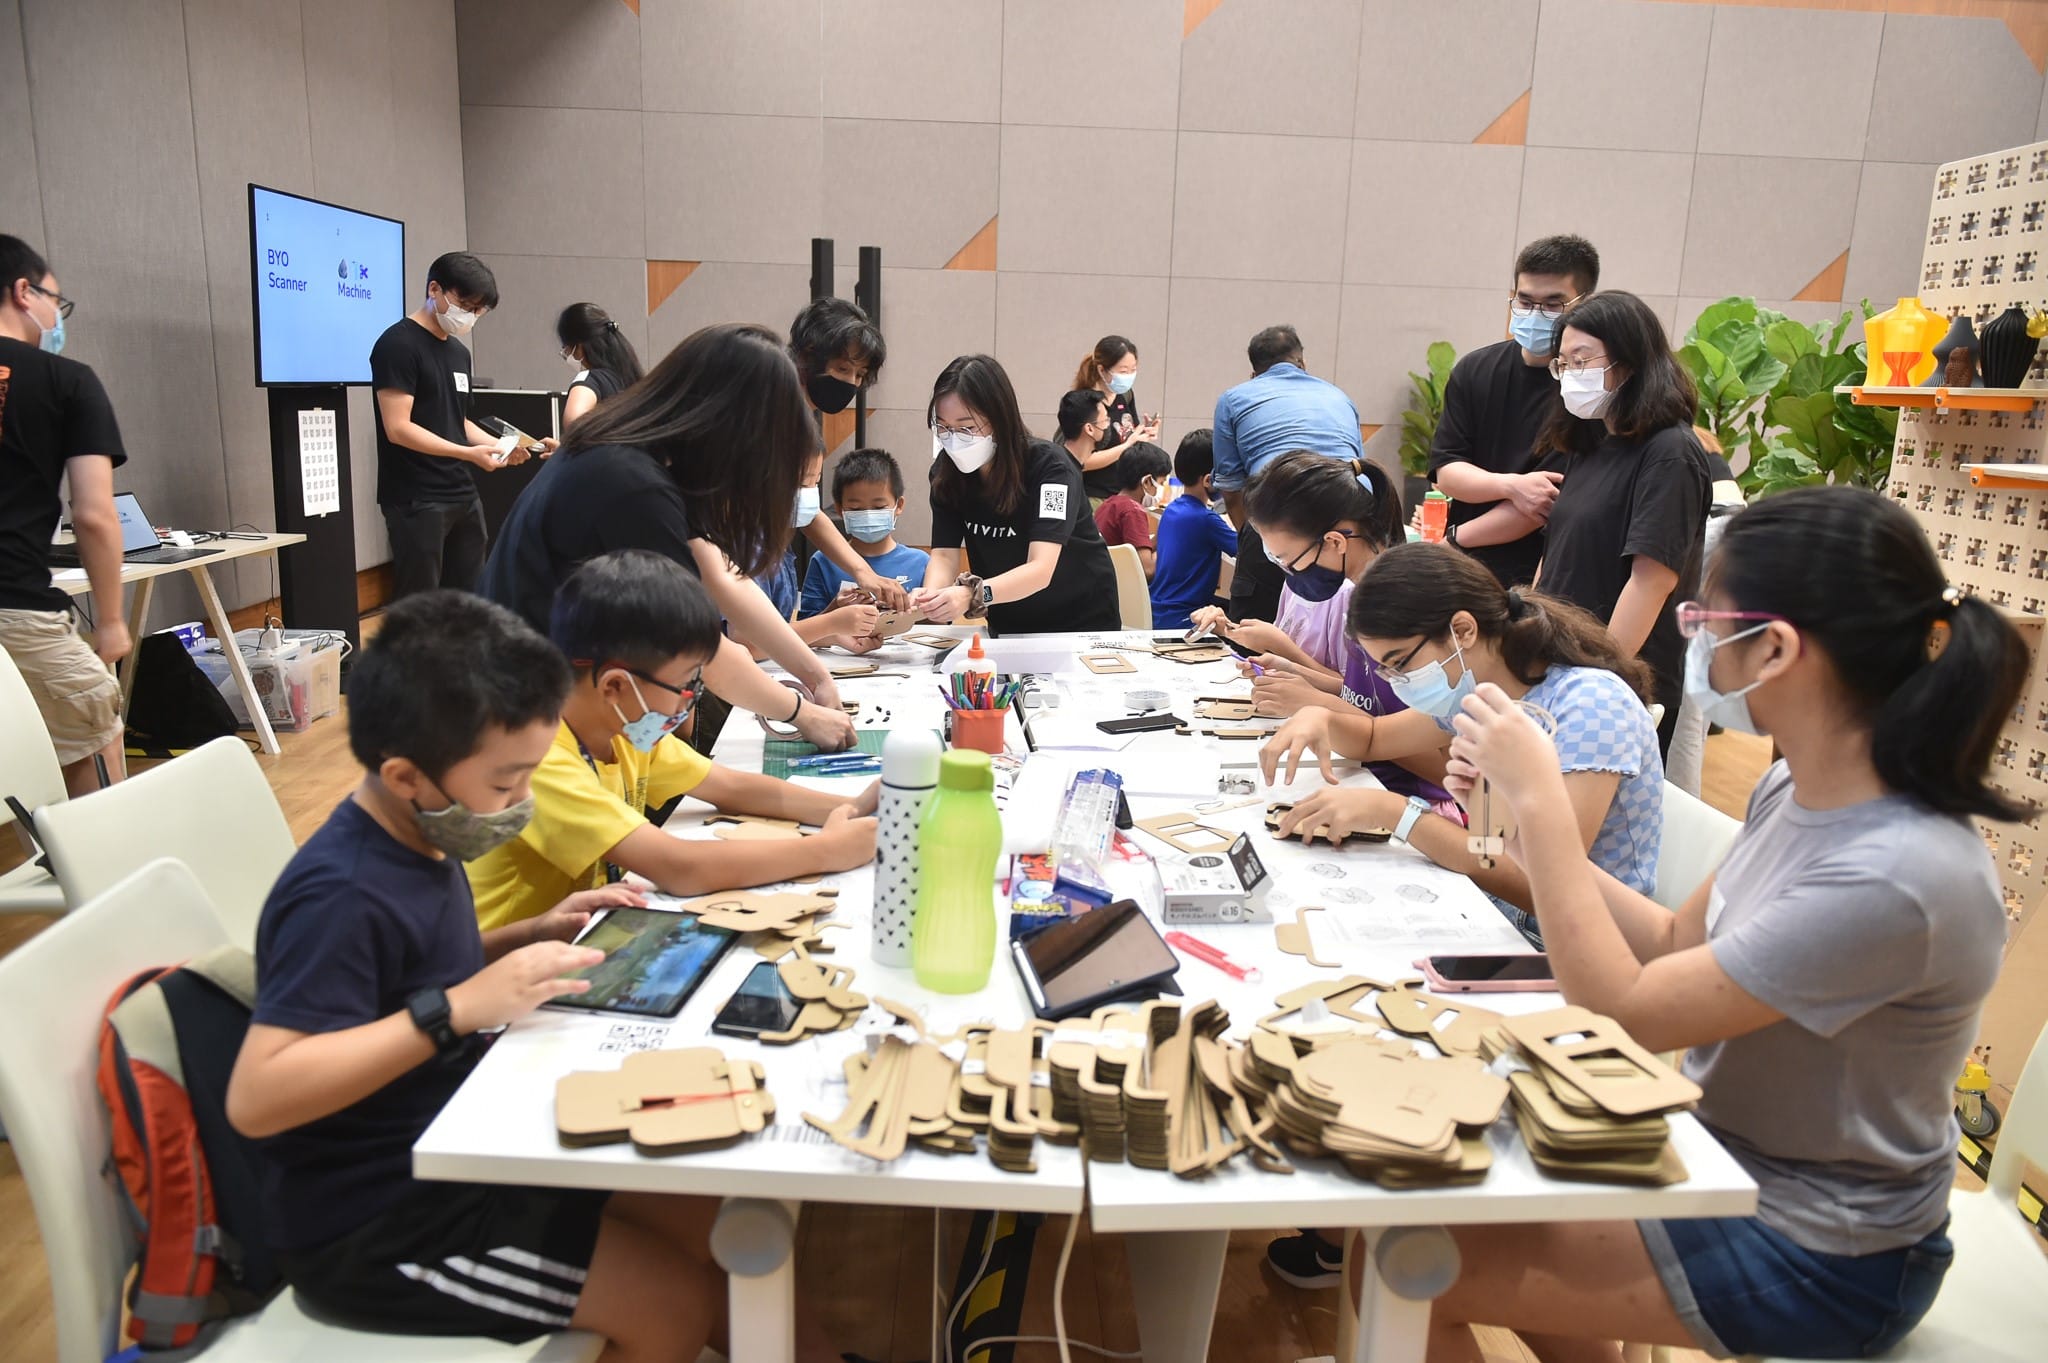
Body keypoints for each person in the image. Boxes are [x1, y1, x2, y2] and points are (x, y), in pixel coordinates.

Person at [1427, 486, 2023, 1362]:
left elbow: (1622, 1008)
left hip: (1825, 1248)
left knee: (1415, 1259)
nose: (1695, 640)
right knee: (1432, 1214)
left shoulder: (1898, 872)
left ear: (1776, 647)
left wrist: (1546, 808)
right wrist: (1518, 813)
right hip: (1724, 1161)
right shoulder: (1796, 786)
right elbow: (1674, 942)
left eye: (1707, 619)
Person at [225, 590, 842, 1362]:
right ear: (407, 775)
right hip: (377, 1219)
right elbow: (258, 1096)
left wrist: (523, 936)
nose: (521, 802)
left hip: (465, 1134)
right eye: (507, 783)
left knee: (694, 1207)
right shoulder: (342, 894)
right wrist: (453, 1009)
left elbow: (409, 976)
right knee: (671, 1309)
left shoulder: (419, 834)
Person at [478, 323, 858, 752]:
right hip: (528, 710)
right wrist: (801, 713)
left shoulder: (646, 457)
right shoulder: (630, 482)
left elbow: (725, 577)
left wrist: (817, 678)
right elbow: (698, 644)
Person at [1261, 542, 1663, 947]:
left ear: (1463, 631)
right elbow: (1376, 737)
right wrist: (1322, 717)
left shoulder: (1591, 706)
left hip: (1578, 936)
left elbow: (1544, 884)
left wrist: (1395, 812)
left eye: (1400, 664)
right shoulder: (1482, 692)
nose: (1394, 681)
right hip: (1506, 899)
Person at [467, 550, 877, 934]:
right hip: (500, 975)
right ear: (615, 685)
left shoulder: (622, 726)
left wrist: (854, 807)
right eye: (684, 683)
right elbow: (679, 868)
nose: (691, 696)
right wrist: (827, 851)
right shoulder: (541, 759)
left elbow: (731, 787)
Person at [1534, 291, 1710, 757]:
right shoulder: (1591, 444)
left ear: (1630, 364)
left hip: (1615, 679)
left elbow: (1649, 583)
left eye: (1583, 360)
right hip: (1561, 664)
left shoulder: (1671, 452)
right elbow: (1555, 556)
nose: (1571, 375)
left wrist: (1599, 679)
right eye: (1564, 364)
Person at [1227, 452, 1454, 809]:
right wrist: (1298, 674)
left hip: (1412, 800)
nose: (1287, 571)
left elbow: (1444, 769)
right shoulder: (1367, 593)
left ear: (1334, 542)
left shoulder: (1401, 608)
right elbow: (1368, 698)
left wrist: (1321, 706)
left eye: (1287, 559)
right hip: (1368, 777)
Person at [0, 234, 128, 795]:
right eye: (57, 300)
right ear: (24, 292)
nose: (57, 315)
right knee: (93, 726)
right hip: (15, 605)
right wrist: (112, 621)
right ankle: (101, 873)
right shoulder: (66, 381)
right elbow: (95, 515)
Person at [371, 252, 544, 599]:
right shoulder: (398, 344)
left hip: (461, 492)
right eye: (466, 304)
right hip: (416, 496)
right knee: (420, 604)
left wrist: (499, 447)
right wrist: (468, 453)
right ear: (434, 289)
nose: (471, 315)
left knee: (468, 598)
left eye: (479, 310)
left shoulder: (458, 353)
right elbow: (398, 427)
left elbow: (457, 419)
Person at [1429, 235, 1599, 587]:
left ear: (1584, 304)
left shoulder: (1584, 386)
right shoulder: (1475, 369)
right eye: (1525, 300)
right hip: (1464, 570)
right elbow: (1447, 472)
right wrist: (1511, 486)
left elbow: (1542, 504)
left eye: (1554, 304)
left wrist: (1453, 540)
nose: (1536, 313)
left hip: (1543, 574)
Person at [912, 354, 1120, 635]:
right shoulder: (946, 475)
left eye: (967, 427)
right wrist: (931, 597)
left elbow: (1040, 570)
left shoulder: (1052, 470)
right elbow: (945, 555)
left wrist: (972, 594)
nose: (954, 439)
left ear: (999, 419)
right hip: (1009, 622)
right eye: (944, 428)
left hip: (1080, 624)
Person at [1211, 324, 1365, 623]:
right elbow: (1358, 470)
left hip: (1274, 518)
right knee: (1341, 643)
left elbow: (1231, 489)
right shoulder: (1339, 396)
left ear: (1254, 373)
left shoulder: (1234, 399)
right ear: (1303, 363)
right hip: (1350, 529)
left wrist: (1264, 539)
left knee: (1252, 637)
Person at [785, 297, 909, 612]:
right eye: (843, 368)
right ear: (808, 355)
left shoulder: (804, 423)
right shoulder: (772, 415)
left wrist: (862, 572)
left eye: (859, 375)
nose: (851, 383)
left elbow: (805, 511)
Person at [744, 446, 886, 656]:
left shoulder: (778, 549)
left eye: (815, 482)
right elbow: (749, 645)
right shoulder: (747, 552)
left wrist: (835, 633)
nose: (810, 494)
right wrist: (830, 623)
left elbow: (779, 636)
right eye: (802, 483)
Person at [798, 447, 930, 619]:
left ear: (899, 506)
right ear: (839, 509)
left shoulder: (920, 562)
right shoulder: (823, 562)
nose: (868, 514)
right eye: (855, 508)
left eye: (879, 507)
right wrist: (836, 608)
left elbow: (939, 626)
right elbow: (806, 626)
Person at [1148, 430, 1240, 631]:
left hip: (1156, 612)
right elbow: (1246, 550)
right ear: (1209, 480)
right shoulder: (1206, 519)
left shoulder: (1171, 510)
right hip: (1185, 618)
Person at [1069, 335, 1162, 503]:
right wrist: (1127, 445)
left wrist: (1144, 432)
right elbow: (1080, 461)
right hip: (1092, 496)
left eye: (1133, 369)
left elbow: (1127, 435)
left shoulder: (1125, 395)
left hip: (1123, 495)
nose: (1129, 376)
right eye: (1123, 371)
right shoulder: (1083, 402)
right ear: (1102, 370)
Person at [557, 301, 645, 427]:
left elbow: (574, 426)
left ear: (579, 348)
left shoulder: (588, 379)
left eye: (567, 350)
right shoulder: (633, 379)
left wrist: (566, 447)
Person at [1092, 441, 1172, 573]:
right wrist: (1168, 546)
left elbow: (1134, 549)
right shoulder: (1133, 511)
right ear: (1147, 482)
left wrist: (1158, 539)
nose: (1162, 489)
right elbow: (1147, 570)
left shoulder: (1108, 504)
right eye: (1161, 483)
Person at [1054, 388, 1114, 506]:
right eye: (1105, 420)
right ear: (1089, 429)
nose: (1108, 425)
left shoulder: (1069, 467)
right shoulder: (1061, 474)